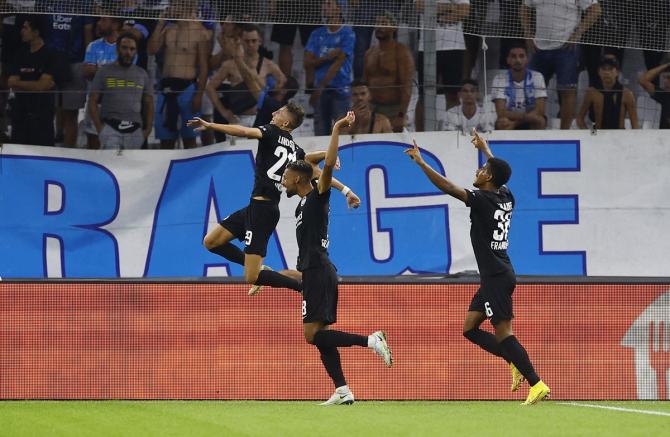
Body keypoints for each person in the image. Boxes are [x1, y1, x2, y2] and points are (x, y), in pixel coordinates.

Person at [404, 130, 550, 405]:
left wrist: (421, 163)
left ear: (488, 178)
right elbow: (500, 173)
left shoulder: (482, 200)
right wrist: (486, 148)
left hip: (496, 277)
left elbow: (449, 188)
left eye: (482, 168)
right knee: (470, 328)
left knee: (504, 332)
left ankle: (536, 383)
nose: (478, 170)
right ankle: (514, 361)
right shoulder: (506, 196)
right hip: (495, 275)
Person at [186, 102, 361, 296]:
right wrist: (346, 190)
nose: (273, 113)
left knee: (251, 277)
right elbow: (316, 171)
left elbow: (244, 132)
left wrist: (211, 125)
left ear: (285, 122)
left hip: (263, 211)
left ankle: (302, 288)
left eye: (279, 112)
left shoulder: (271, 132)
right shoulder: (295, 150)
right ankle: (263, 269)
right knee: (211, 242)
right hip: (256, 207)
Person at [281, 111, 392, 405]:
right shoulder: (301, 206)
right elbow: (315, 164)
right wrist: (347, 190)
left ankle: (371, 340)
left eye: (286, 176)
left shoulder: (317, 198)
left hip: (319, 270)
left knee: (311, 335)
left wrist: (336, 128)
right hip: (316, 270)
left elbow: (326, 165)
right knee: (321, 334)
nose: (282, 181)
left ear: (299, 179)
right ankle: (343, 390)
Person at [521, 0, 601, 129]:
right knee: (532, 91)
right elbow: (524, 8)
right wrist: (528, 34)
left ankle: (564, 133)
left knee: (568, 91)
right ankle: (534, 129)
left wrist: (577, 33)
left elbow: (596, 9)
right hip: (538, 48)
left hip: (566, 48)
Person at [147, 0, 209, 149]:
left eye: (173, 4)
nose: (170, 7)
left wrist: (199, 95)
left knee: (190, 139)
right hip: (166, 87)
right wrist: (160, 23)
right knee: (166, 140)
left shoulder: (200, 32)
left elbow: (204, 66)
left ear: (184, 5)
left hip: (187, 89)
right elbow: (151, 50)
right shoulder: (168, 29)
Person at [206, 24, 286, 137]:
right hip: (238, 119)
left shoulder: (268, 64)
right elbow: (210, 87)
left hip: (260, 118)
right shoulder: (230, 64)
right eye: (247, 41)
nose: (250, 44)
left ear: (260, 41)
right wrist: (224, 112)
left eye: (254, 41)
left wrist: (272, 95)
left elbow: (284, 83)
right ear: (241, 41)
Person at [88, 33, 154, 150]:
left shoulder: (142, 74)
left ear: (136, 52)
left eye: (132, 49)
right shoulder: (104, 71)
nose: (128, 52)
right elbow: (92, 100)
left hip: (135, 130)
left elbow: (149, 103)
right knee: (111, 165)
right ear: (117, 49)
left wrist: (147, 130)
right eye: (124, 48)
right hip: (110, 128)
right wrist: (100, 128)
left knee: (133, 167)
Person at [7, 15, 63, 146]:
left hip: (41, 117)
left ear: (36, 32)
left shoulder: (51, 54)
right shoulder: (20, 54)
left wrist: (20, 84)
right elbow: (11, 82)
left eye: (26, 28)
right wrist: (34, 84)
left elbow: (43, 86)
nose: (22, 31)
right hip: (20, 115)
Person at [304, 0, 355, 136]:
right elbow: (307, 62)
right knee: (321, 133)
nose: (324, 7)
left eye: (329, 4)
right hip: (320, 91)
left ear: (339, 8)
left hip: (341, 90)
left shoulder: (348, 34)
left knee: (342, 131)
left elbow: (338, 63)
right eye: (323, 4)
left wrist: (319, 87)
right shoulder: (316, 34)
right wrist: (327, 57)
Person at [361, 10, 414, 132]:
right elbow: (364, 84)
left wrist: (401, 115)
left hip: (394, 109)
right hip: (373, 108)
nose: (379, 26)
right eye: (377, 23)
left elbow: (406, 86)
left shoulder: (401, 52)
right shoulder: (369, 53)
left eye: (384, 23)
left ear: (393, 28)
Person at [82, 16, 125, 149]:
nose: (99, 23)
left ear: (115, 24)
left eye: (103, 20)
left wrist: (99, 71)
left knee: (115, 145)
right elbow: (87, 72)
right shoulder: (93, 45)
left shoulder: (127, 46)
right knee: (93, 142)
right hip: (96, 102)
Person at [491, 43, 547, 130]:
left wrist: (515, 124)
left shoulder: (537, 76)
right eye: (513, 56)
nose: (518, 60)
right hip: (511, 119)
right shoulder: (499, 79)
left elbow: (540, 110)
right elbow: (501, 112)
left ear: (527, 59)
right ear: (508, 60)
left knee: (539, 120)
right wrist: (524, 117)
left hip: (530, 119)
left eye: (521, 56)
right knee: (502, 123)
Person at [576, 56, 639, 130]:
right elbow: (580, 119)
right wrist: (591, 135)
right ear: (599, 72)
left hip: (619, 136)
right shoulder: (592, 92)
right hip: (597, 134)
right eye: (604, 69)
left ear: (617, 72)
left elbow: (635, 124)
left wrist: (628, 139)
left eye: (610, 69)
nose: (607, 72)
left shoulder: (627, 94)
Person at [638, 61, 670, 129]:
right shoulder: (665, 95)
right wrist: (667, 64)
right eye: (665, 78)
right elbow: (642, 80)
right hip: (664, 137)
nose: (665, 81)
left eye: (669, 78)